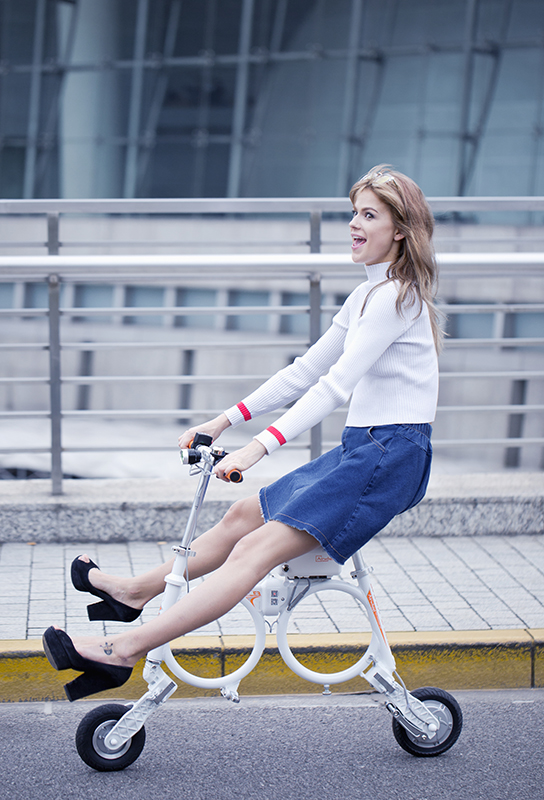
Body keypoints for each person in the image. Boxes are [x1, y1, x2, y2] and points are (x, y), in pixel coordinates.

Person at [43, 164, 442, 701]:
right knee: (240, 517)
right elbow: (304, 371)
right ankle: (134, 593)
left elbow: (334, 386)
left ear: (399, 230)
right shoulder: (367, 296)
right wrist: (223, 420)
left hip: (389, 456)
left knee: (253, 551)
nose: (353, 224)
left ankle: (124, 649)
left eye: (369, 215)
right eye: (353, 213)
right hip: (364, 451)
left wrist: (257, 448)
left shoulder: (397, 298)